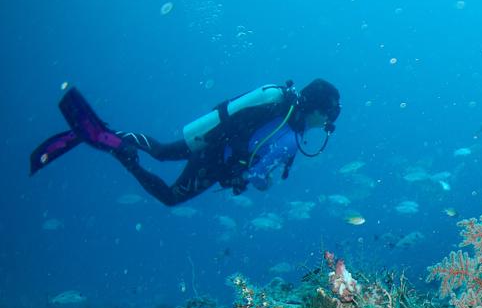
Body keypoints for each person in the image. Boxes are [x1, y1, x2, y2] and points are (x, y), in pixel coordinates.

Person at [30, 79, 341, 206]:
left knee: (162, 151)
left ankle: (111, 135)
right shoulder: (291, 135)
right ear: (317, 109)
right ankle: (123, 155)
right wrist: (260, 181)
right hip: (215, 162)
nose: (327, 122)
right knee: (170, 197)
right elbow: (258, 175)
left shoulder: (281, 106)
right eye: (329, 114)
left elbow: (239, 125)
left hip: (211, 139)